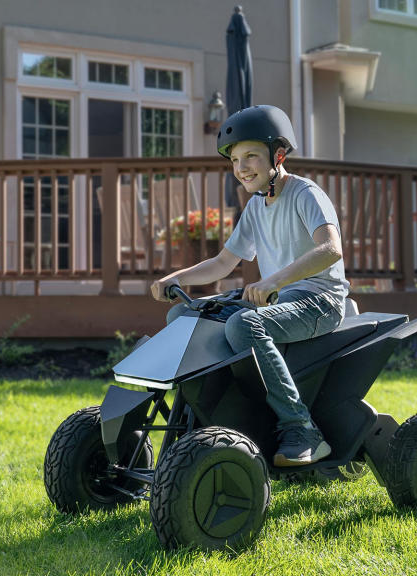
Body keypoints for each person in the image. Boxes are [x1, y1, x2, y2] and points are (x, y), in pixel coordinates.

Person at [150, 105, 349, 467]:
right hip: (278, 298)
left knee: (244, 324)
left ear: (278, 155)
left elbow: (331, 249)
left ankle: (302, 429)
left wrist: (274, 279)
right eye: (235, 160)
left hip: (320, 300)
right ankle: (197, 422)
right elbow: (224, 262)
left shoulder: (305, 194)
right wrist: (177, 278)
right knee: (184, 314)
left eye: (251, 156)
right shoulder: (257, 207)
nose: (242, 168)